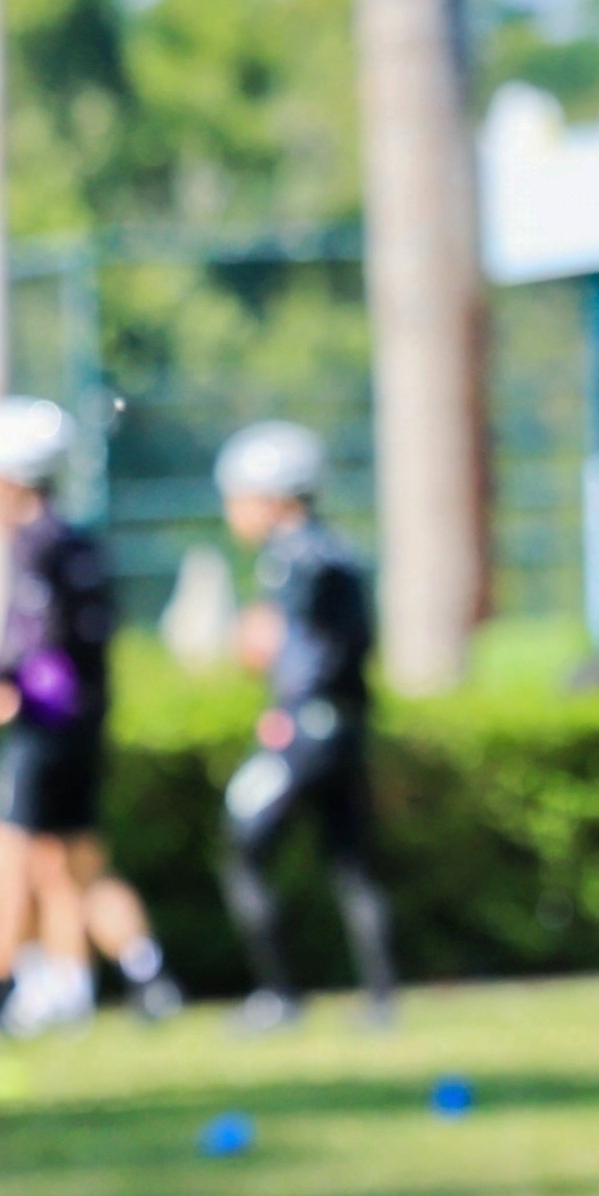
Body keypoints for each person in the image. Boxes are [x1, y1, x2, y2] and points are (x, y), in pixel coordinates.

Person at [0, 397, 182, 1036]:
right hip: (80, 731)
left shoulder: (37, 546)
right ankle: (142, 976)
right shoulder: (76, 542)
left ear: (7, 477)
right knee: (75, 863)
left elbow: (43, 663)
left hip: (47, 734)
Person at [210, 421, 395, 1033]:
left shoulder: (289, 559)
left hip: (303, 732)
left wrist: (280, 696)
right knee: (352, 864)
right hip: (346, 728)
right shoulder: (340, 548)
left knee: (243, 848)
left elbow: (291, 650)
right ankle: (381, 1000)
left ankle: (280, 995)